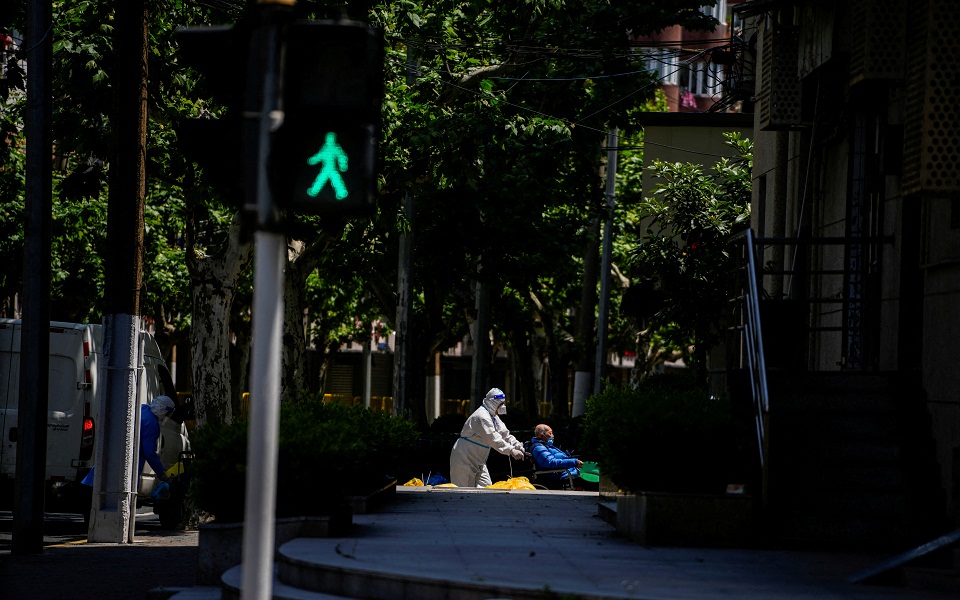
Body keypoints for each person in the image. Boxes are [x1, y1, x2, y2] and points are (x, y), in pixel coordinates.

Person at [80, 394, 177, 487]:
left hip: (107, 463)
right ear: (163, 410)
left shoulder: (142, 409)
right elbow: (149, 453)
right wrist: (161, 473)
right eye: (167, 413)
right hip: (124, 471)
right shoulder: (152, 424)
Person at [449, 388, 525, 487]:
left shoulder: (493, 417)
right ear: (493, 403)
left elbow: (505, 434)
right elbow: (493, 438)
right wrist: (511, 450)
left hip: (479, 461)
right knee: (464, 493)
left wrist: (517, 445)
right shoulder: (482, 416)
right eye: (500, 404)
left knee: (486, 488)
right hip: (464, 459)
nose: (502, 407)